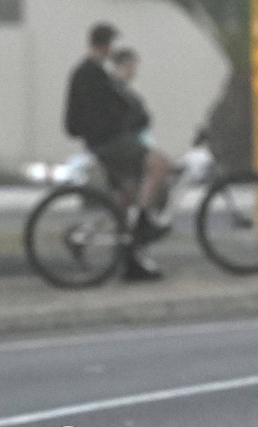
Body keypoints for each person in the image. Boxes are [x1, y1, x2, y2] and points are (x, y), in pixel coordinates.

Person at [64, 22, 171, 281]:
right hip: (109, 142)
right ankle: (145, 221)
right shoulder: (91, 73)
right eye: (111, 44)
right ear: (106, 45)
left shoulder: (90, 71)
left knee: (124, 200)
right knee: (159, 164)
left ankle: (130, 262)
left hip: (103, 141)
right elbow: (104, 111)